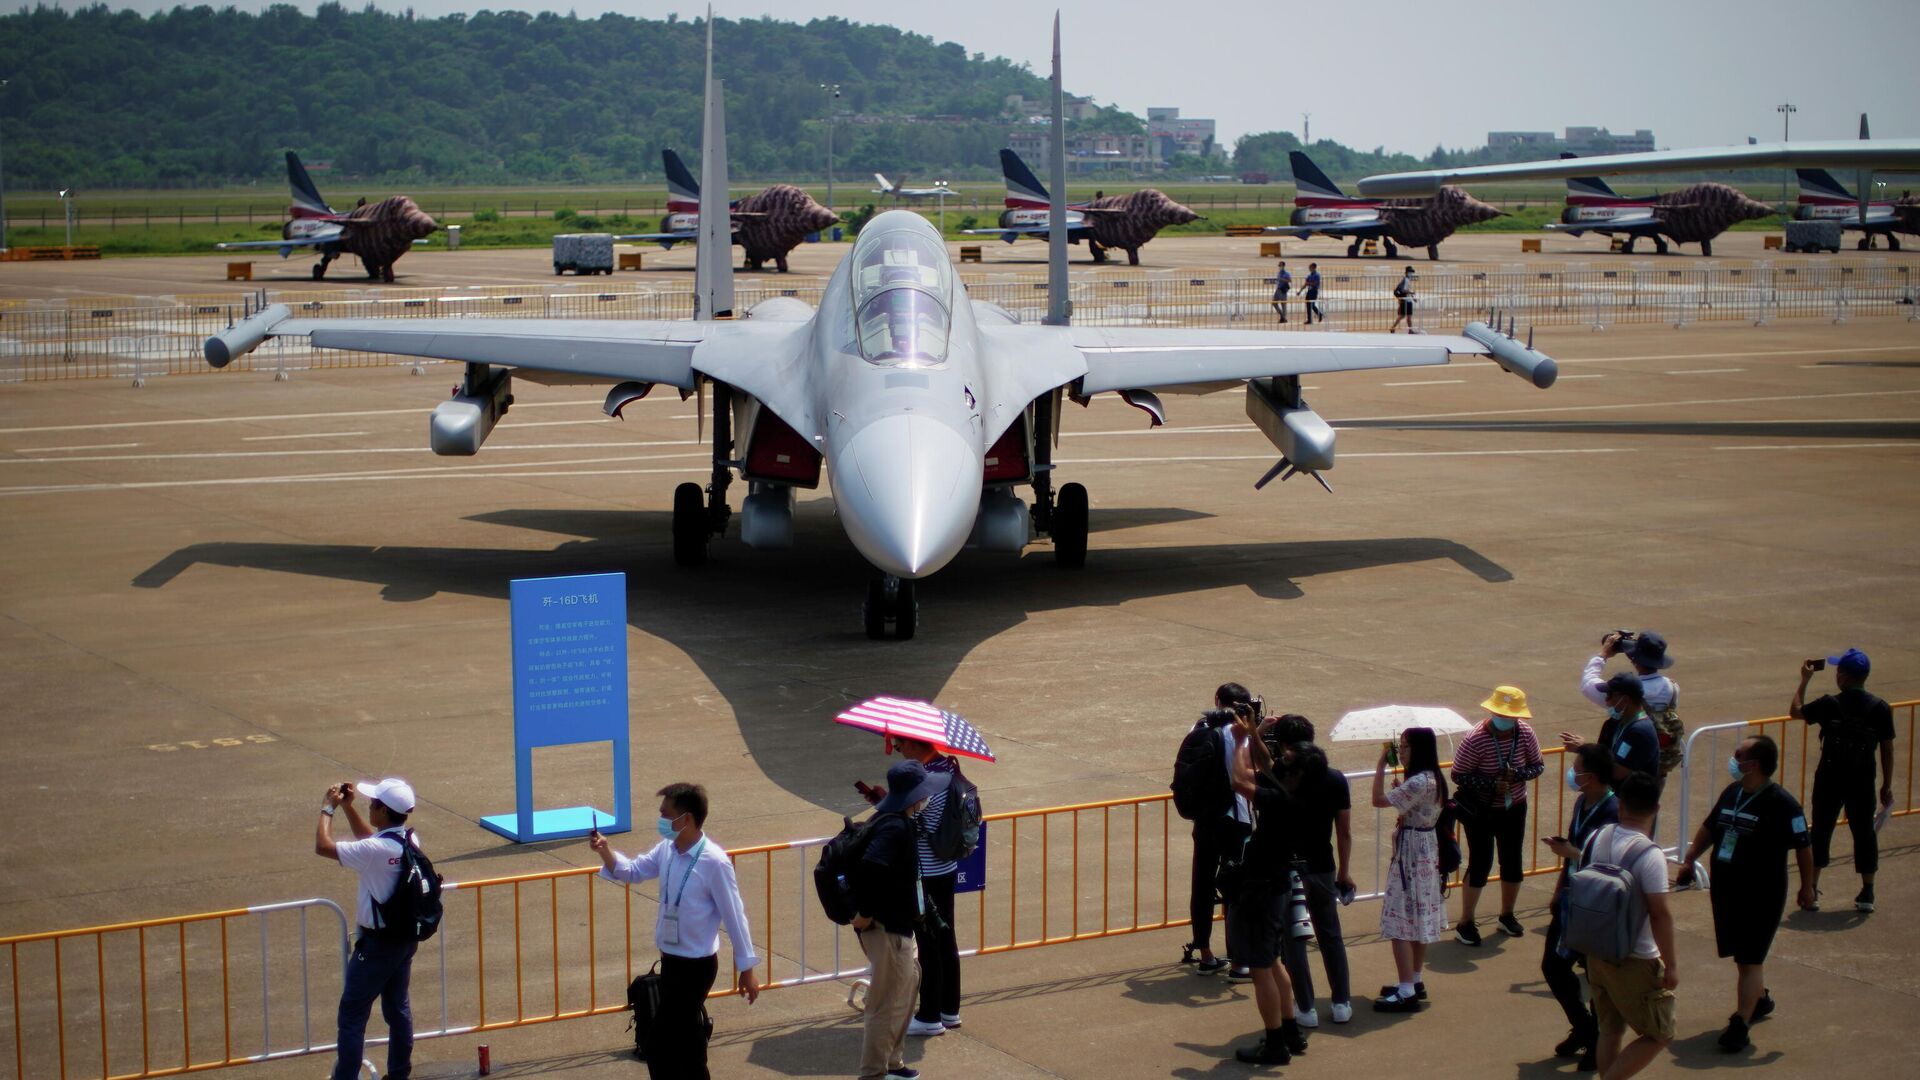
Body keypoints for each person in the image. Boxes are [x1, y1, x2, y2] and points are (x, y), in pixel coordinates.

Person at [589, 783, 760, 1080]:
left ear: (687, 819)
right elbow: (632, 871)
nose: (661, 820)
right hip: (671, 961)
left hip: (696, 967)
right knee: (687, 1040)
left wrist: (747, 968)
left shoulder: (714, 862)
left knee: (658, 1042)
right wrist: (605, 851)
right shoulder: (667, 850)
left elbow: (735, 916)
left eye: (665, 814)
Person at [1676, 735, 1815, 1053]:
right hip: (1727, 889)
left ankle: (1740, 1024)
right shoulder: (1733, 793)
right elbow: (1711, 827)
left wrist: (1807, 887)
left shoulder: (1783, 804)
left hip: (1762, 893)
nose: (1733, 759)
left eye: (1739, 755)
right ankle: (1759, 999)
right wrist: (1690, 857)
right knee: (1742, 957)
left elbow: (1804, 847)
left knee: (1749, 959)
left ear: (1754, 765)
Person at [317, 777, 422, 1080]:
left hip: (377, 946)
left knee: (352, 1015)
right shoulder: (410, 841)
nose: (369, 806)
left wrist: (329, 808)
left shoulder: (376, 851)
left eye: (372, 804)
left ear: (383, 810)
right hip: (403, 939)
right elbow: (370, 840)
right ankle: (399, 1073)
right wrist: (350, 808)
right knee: (397, 1009)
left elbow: (322, 846)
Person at [861, 737, 965, 1036]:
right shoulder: (949, 769)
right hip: (946, 867)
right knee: (946, 939)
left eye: (901, 743)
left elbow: (916, 824)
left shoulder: (928, 781)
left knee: (929, 942)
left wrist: (891, 807)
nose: (897, 748)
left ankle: (930, 1014)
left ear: (916, 744)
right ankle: (949, 1010)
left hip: (926, 873)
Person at [852, 760, 949, 1080]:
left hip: (898, 928)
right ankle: (873, 1073)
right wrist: (865, 915)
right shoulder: (894, 827)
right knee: (884, 1005)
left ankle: (892, 1064)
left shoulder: (897, 821)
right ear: (915, 796)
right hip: (887, 929)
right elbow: (870, 867)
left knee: (908, 987)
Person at [1224, 710, 1311, 1065]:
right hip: (1277, 885)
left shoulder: (1278, 800)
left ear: (1294, 773)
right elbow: (1266, 763)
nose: (1278, 758)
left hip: (1261, 888)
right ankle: (1290, 1031)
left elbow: (1239, 778)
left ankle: (1275, 1043)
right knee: (1274, 961)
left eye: (1285, 759)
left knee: (1261, 968)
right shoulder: (1302, 791)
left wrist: (1242, 740)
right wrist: (1256, 733)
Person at [1581, 773, 1678, 1080]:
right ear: (1657, 809)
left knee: (1610, 1029)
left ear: (1620, 804)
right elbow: (1660, 913)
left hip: (1596, 949)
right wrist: (1671, 965)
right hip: (1635, 956)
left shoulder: (1598, 837)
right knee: (1659, 1033)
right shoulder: (1650, 855)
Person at [1791, 649, 1895, 912]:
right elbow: (1887, 748)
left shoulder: (1830, 704)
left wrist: (1804, 680)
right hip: (1862, 780)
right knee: (1864, 833)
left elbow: (1796, 711)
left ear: (1845, 677)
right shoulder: (1880, 708)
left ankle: (1812, 889)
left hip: (1830, 779)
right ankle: (1867, 891)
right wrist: (1887, 784)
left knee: (1821, 831)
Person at [1540, 743, 1621, 1071]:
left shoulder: (1613, 811)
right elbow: (1574, 848)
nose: (1573, 774)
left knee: (1594, 974)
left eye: (1578, 769)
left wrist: (1572, 854)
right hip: (1572, 899)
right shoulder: (1581, 802)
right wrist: (1559, 889)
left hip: (1597, 905)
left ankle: (1598, 1037)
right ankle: (1586, 1028)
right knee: (1553, 967)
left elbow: (1613, 859)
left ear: (1593, 776)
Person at [1272, 716, 1354, 1027]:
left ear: (1284, 746)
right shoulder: (1335, 779)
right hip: (1324, 866)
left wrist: (1255, 732)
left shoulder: (1283, 777)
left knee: (1294, 941)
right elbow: (1344, 831)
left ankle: (1305, 1008)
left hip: (1290, 869)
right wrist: (1344, 873)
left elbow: (1248, 778)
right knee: (1330, 935)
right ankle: (1341, 1002)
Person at [1451, 685, 1545, 946]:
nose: (1507, 720)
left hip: (1514, 806)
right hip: (1482, 811)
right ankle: (1466, 921)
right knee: (1481, 862)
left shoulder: (1525, 734)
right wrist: (1492, 784)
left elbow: (1537, 766)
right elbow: (1459, 775)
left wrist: (1517, 775)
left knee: (1512, 860)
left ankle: (1507, 914)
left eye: (1511, 716)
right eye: (1502, 714)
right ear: (1491, 712)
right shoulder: (1475, 738)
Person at [1180, 683, 1257, 981]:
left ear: (1216, 700)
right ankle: (1239, 961)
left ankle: (1206, 955)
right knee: (1235, 889)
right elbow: (1249, 768)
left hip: (1204, 817)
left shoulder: (1199, 727)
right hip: (1234, 819)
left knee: (1201, 884)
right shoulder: (1239, 733)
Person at [1372, 727, 1448, 1011]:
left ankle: (1406, 988)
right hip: (1425, 848)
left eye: (1405, 746)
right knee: (1419, 916)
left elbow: (1377, 800)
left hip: (1411, 853)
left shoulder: (1419, 782)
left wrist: (1380, 766)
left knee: (1401, 918)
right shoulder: (1433, 779)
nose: (1400, 751)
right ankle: (1413, 979)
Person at [1580, 631, 1681, 780]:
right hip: (1658, 765)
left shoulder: (1625, 692)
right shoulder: (1672, 687)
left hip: (1626, 767)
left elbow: (1588, 683)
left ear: (1635, 660)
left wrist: (1603, 654)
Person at [1563, 672, 1660, 788]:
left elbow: (1618, 772)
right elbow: (1604, 755)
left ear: (1625, 700)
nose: (1607, 701)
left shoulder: (1640, 732)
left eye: (1609, 695)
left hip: (1631, 802)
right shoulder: (1613, 724)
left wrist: (1585, 749)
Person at [1388, 266, 1416, 332]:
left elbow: (1406, 290)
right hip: (1406, 300)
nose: (1411, 274)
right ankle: (1410, 330)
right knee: (1406, 316)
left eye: (1411, 272)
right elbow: (1404, 290)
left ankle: (1393, 328)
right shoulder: (1406, 280)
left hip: (1406, 300)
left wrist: (1412, 297)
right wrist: (1412, 293)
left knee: (1403, 315)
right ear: (1406, 273)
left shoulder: (1406, 280)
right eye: (1410, 272)